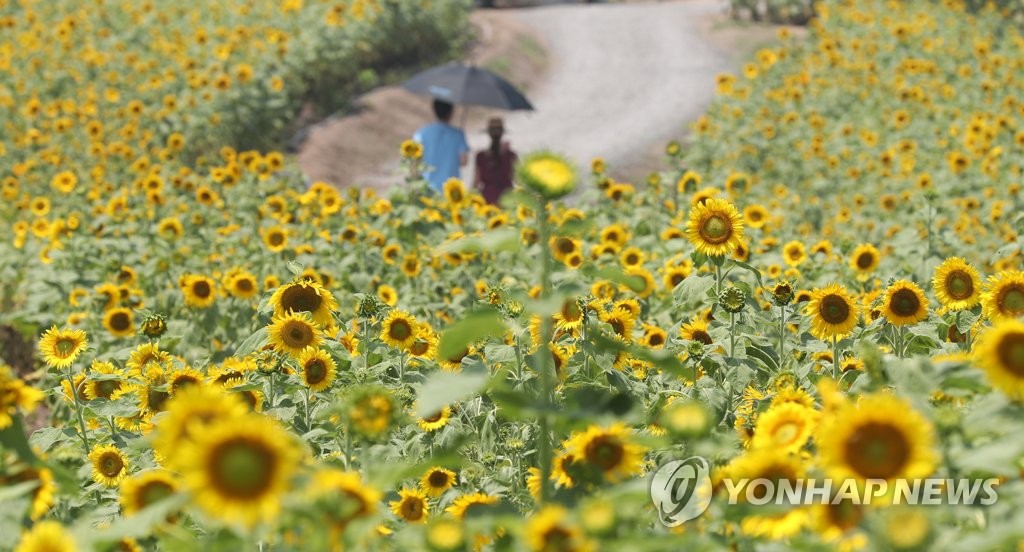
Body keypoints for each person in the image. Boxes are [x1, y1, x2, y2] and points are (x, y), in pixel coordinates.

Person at [413, 99, 469, 193]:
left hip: (427, 187)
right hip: (451, 191)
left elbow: (415, 162)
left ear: (434, 111)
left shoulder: (421, 133)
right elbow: (464, 161)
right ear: (451, 112)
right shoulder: (458, 134)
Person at [473, 117, 517, 205]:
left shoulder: (480, 156)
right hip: (508, 200)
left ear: (489, 134)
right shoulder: (511, 156)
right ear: (502, 134)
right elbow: (517, 179)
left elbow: (476, 183)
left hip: (487, 201)